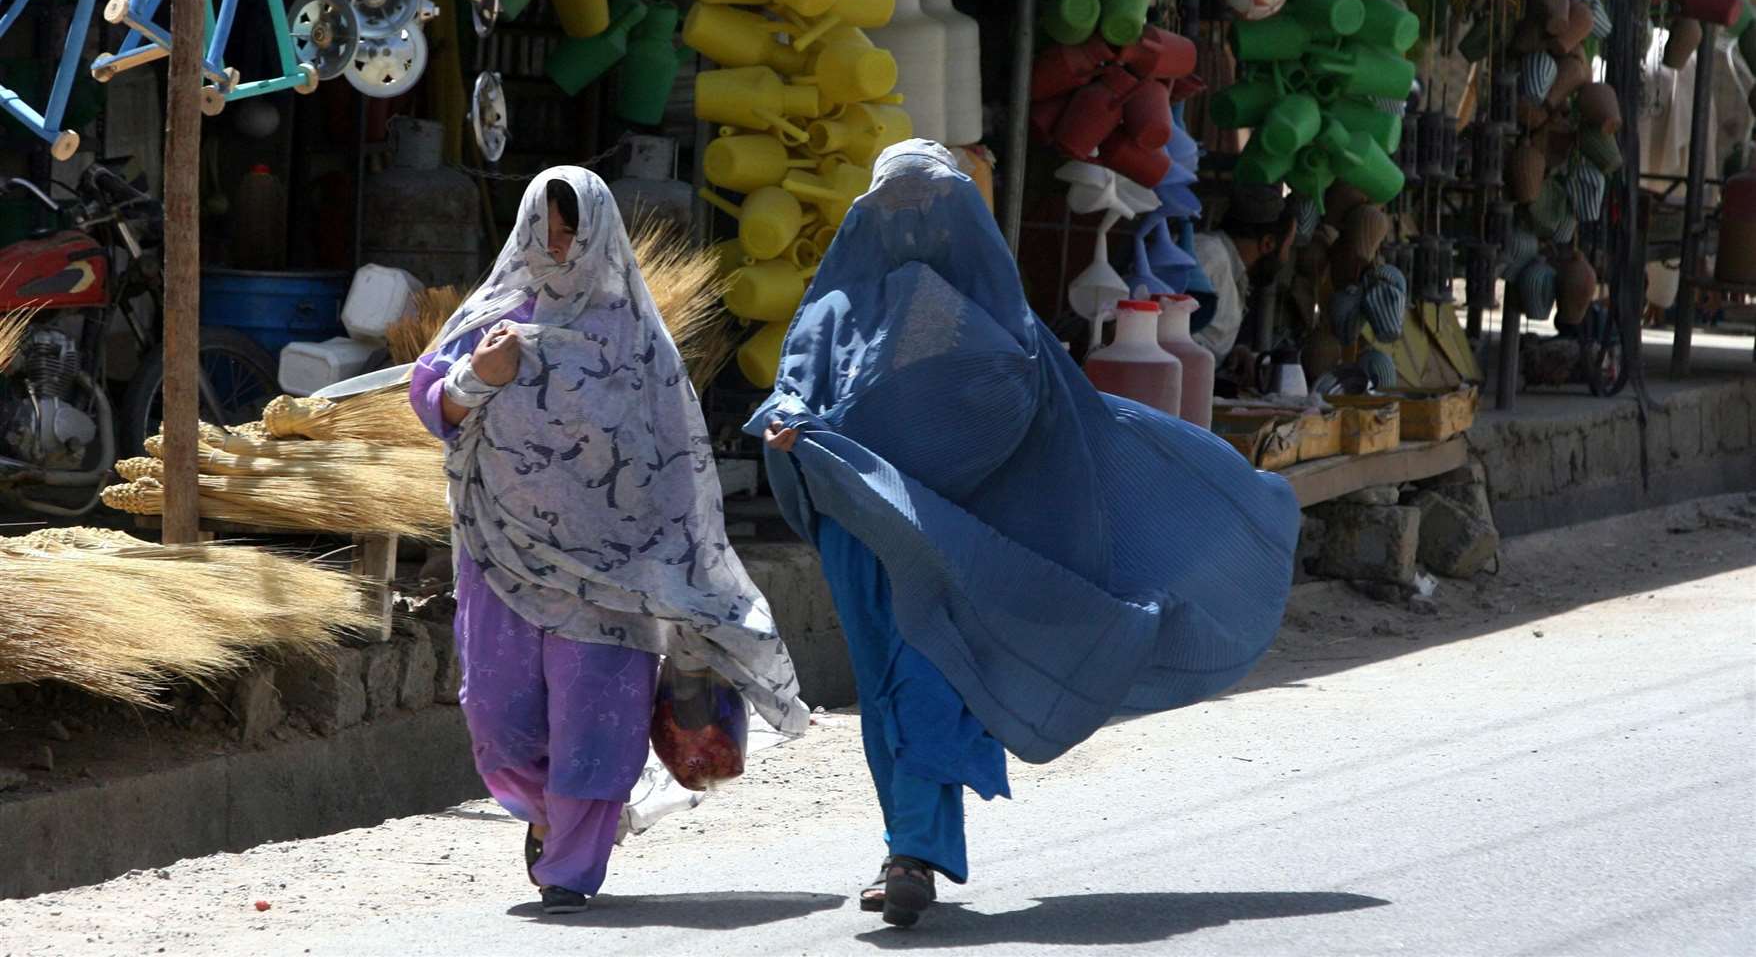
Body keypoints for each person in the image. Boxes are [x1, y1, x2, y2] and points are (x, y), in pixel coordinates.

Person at [750, 141, 1300, 929]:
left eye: (925, 204)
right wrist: (788, 423)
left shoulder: (993, 316)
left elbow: (1036, 415)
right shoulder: (838, 303)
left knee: (927, 674)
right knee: (883, 691)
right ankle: (909, 840)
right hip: (860, 532)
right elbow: (796, 385)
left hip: (954, 541)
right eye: (895, 206)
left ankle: (910, 854)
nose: (910, 223)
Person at [410, 168, 809, 914]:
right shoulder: (489, 319)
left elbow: (674, 458)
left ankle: (570, 867)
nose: (560, 244)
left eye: (574, 229)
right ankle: (546, 814)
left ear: (601, 235)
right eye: (549, 228)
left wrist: (680, 572)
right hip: (503, 557)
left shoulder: (636, 340)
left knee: (597, 720)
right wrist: (477, 377)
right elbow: (435, 408)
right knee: (496, 717)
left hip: (618, 575)